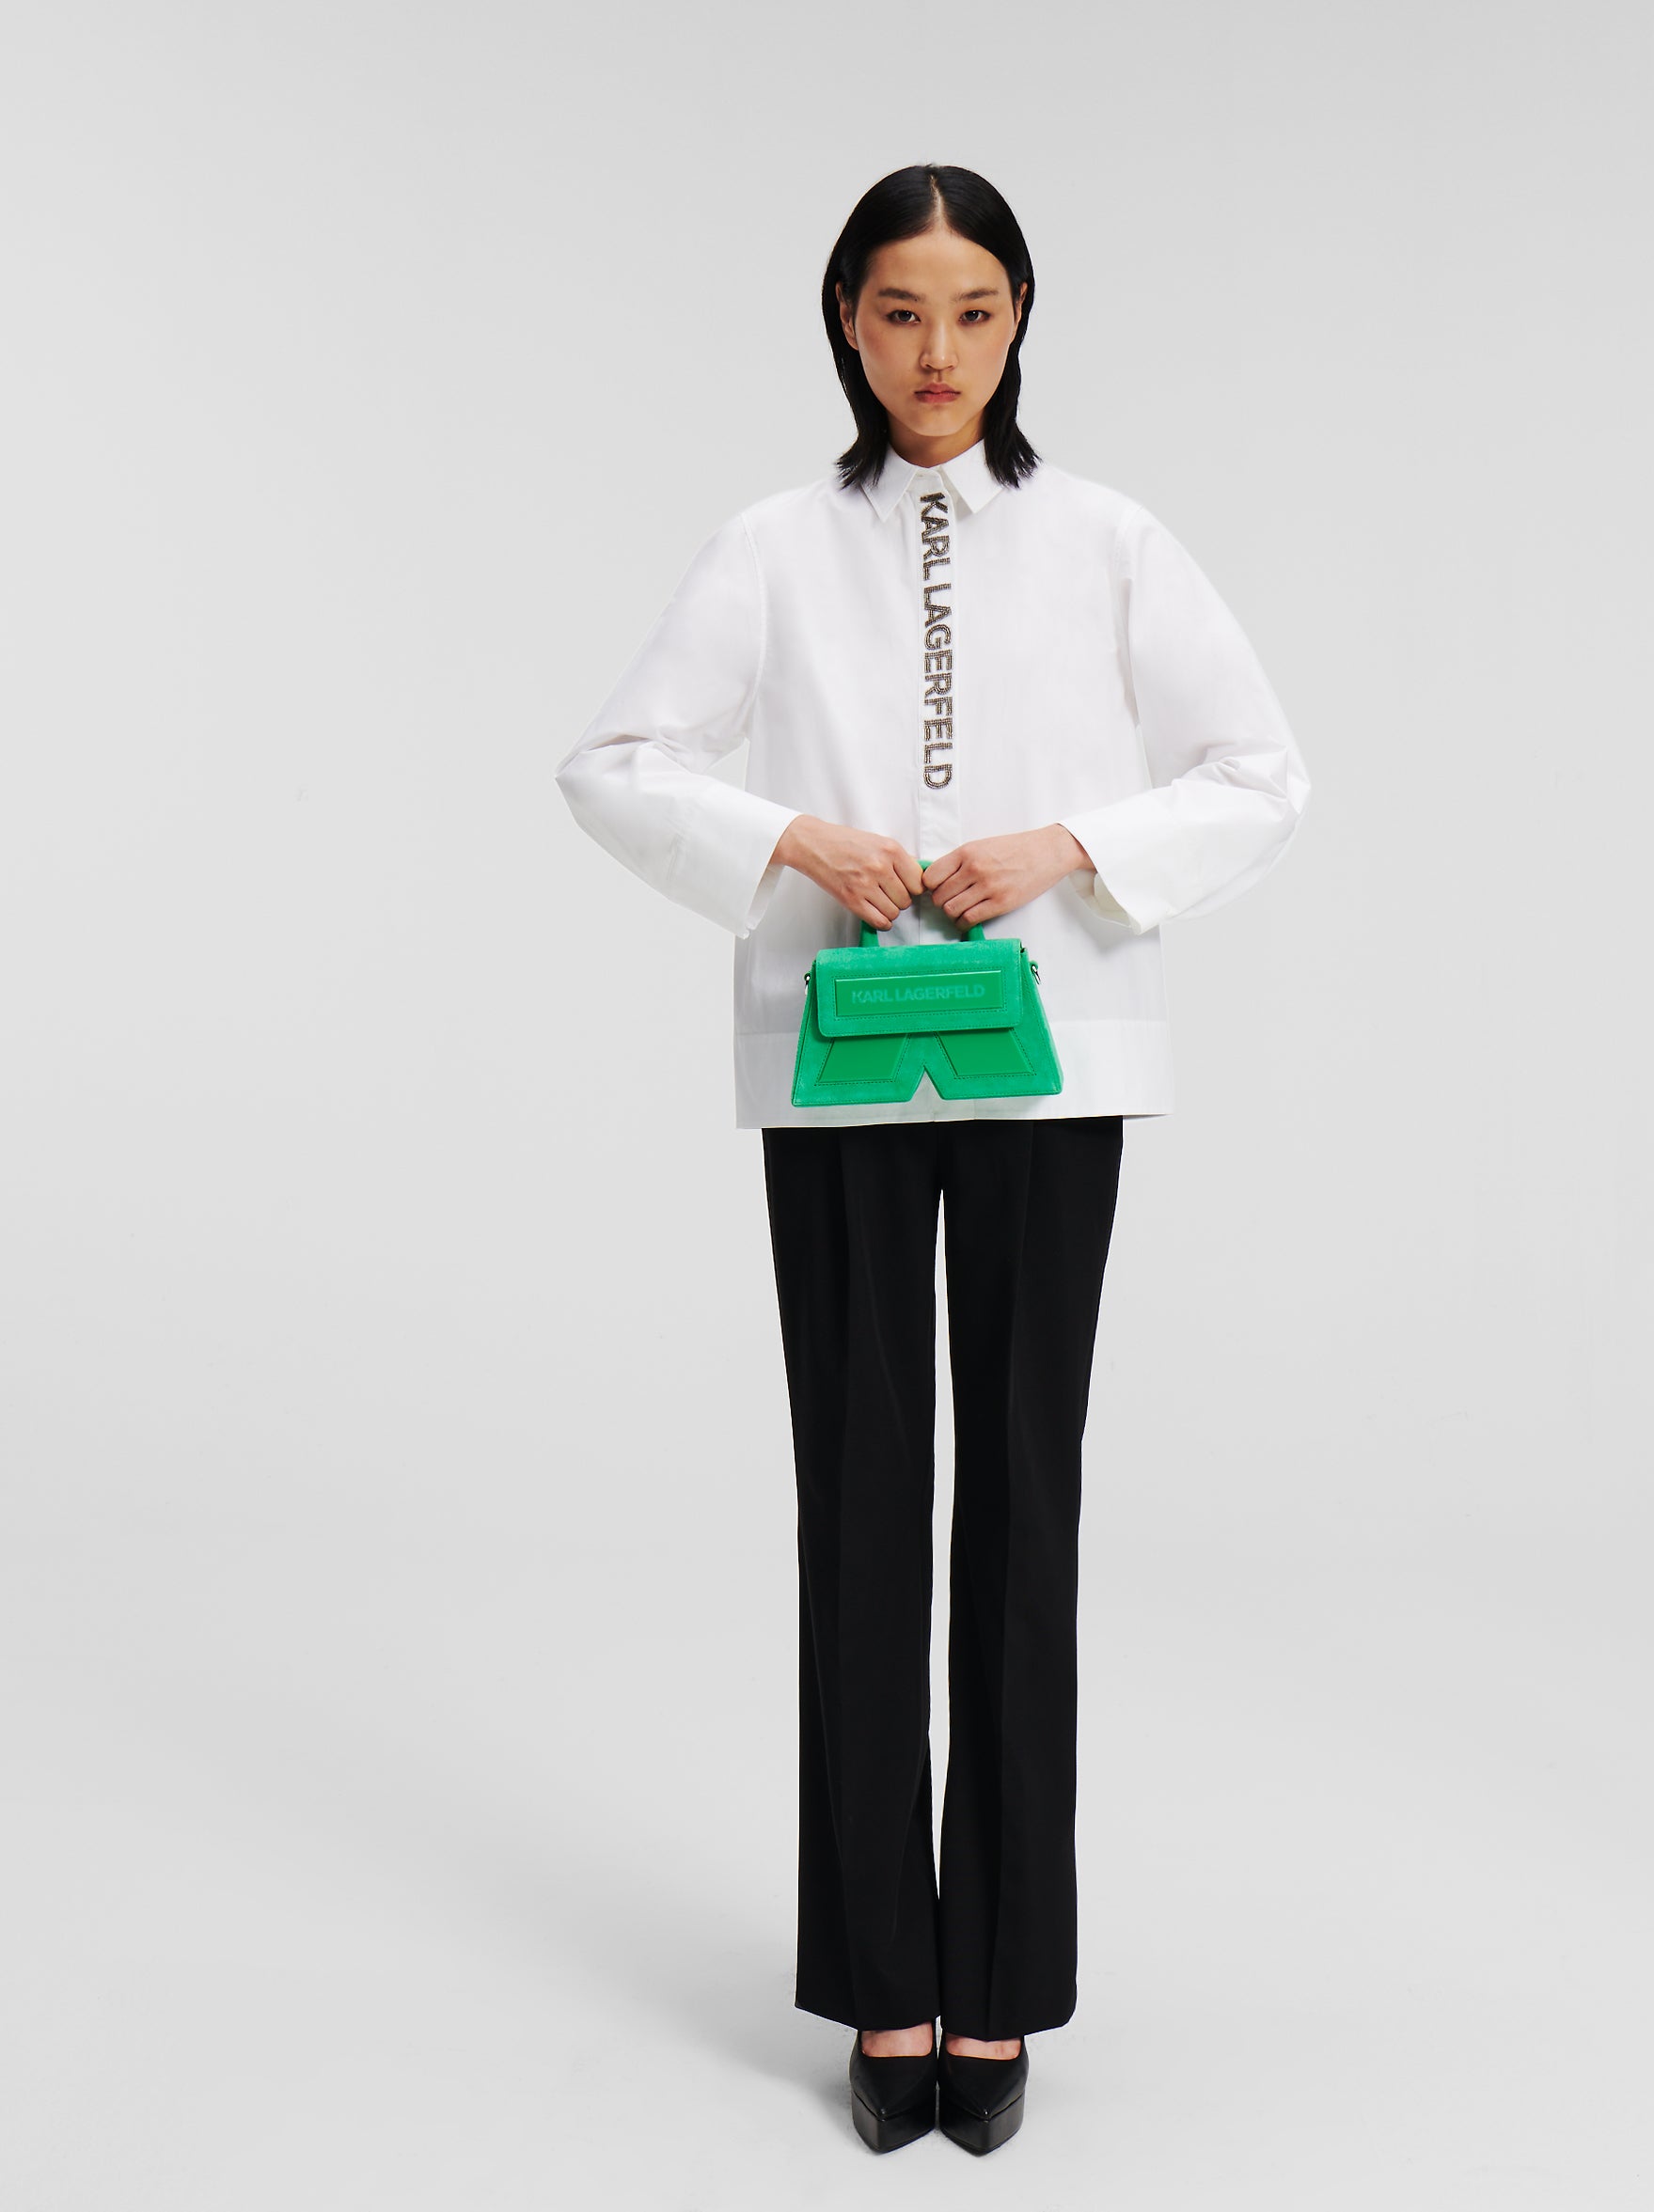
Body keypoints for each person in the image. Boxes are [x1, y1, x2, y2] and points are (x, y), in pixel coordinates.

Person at [552, 163, 1312, 2156]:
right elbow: (612, 763)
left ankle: (1003, 1992)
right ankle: (888, 1980)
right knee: (863, 1509)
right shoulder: (772, 545)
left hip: (1053, 1066)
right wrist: (788, 837)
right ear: (845, 322)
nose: (937, 351)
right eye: (899, 311)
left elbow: (1259, 773)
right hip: (842, 1070)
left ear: (1020, 317)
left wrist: (1071, 844)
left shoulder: (1114, 539)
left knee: (1025, 1514)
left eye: (972, 311)